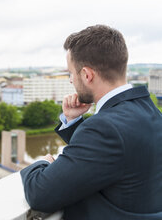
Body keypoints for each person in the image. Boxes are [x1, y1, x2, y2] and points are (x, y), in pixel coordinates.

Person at [20, 25, 162, 220]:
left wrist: (42, 163)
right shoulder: (149, 110)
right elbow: (115, 155)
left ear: (87, 75)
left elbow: (40, 194)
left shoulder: (104, 129)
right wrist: (73, 120)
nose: (71, 80)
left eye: (71, 73)